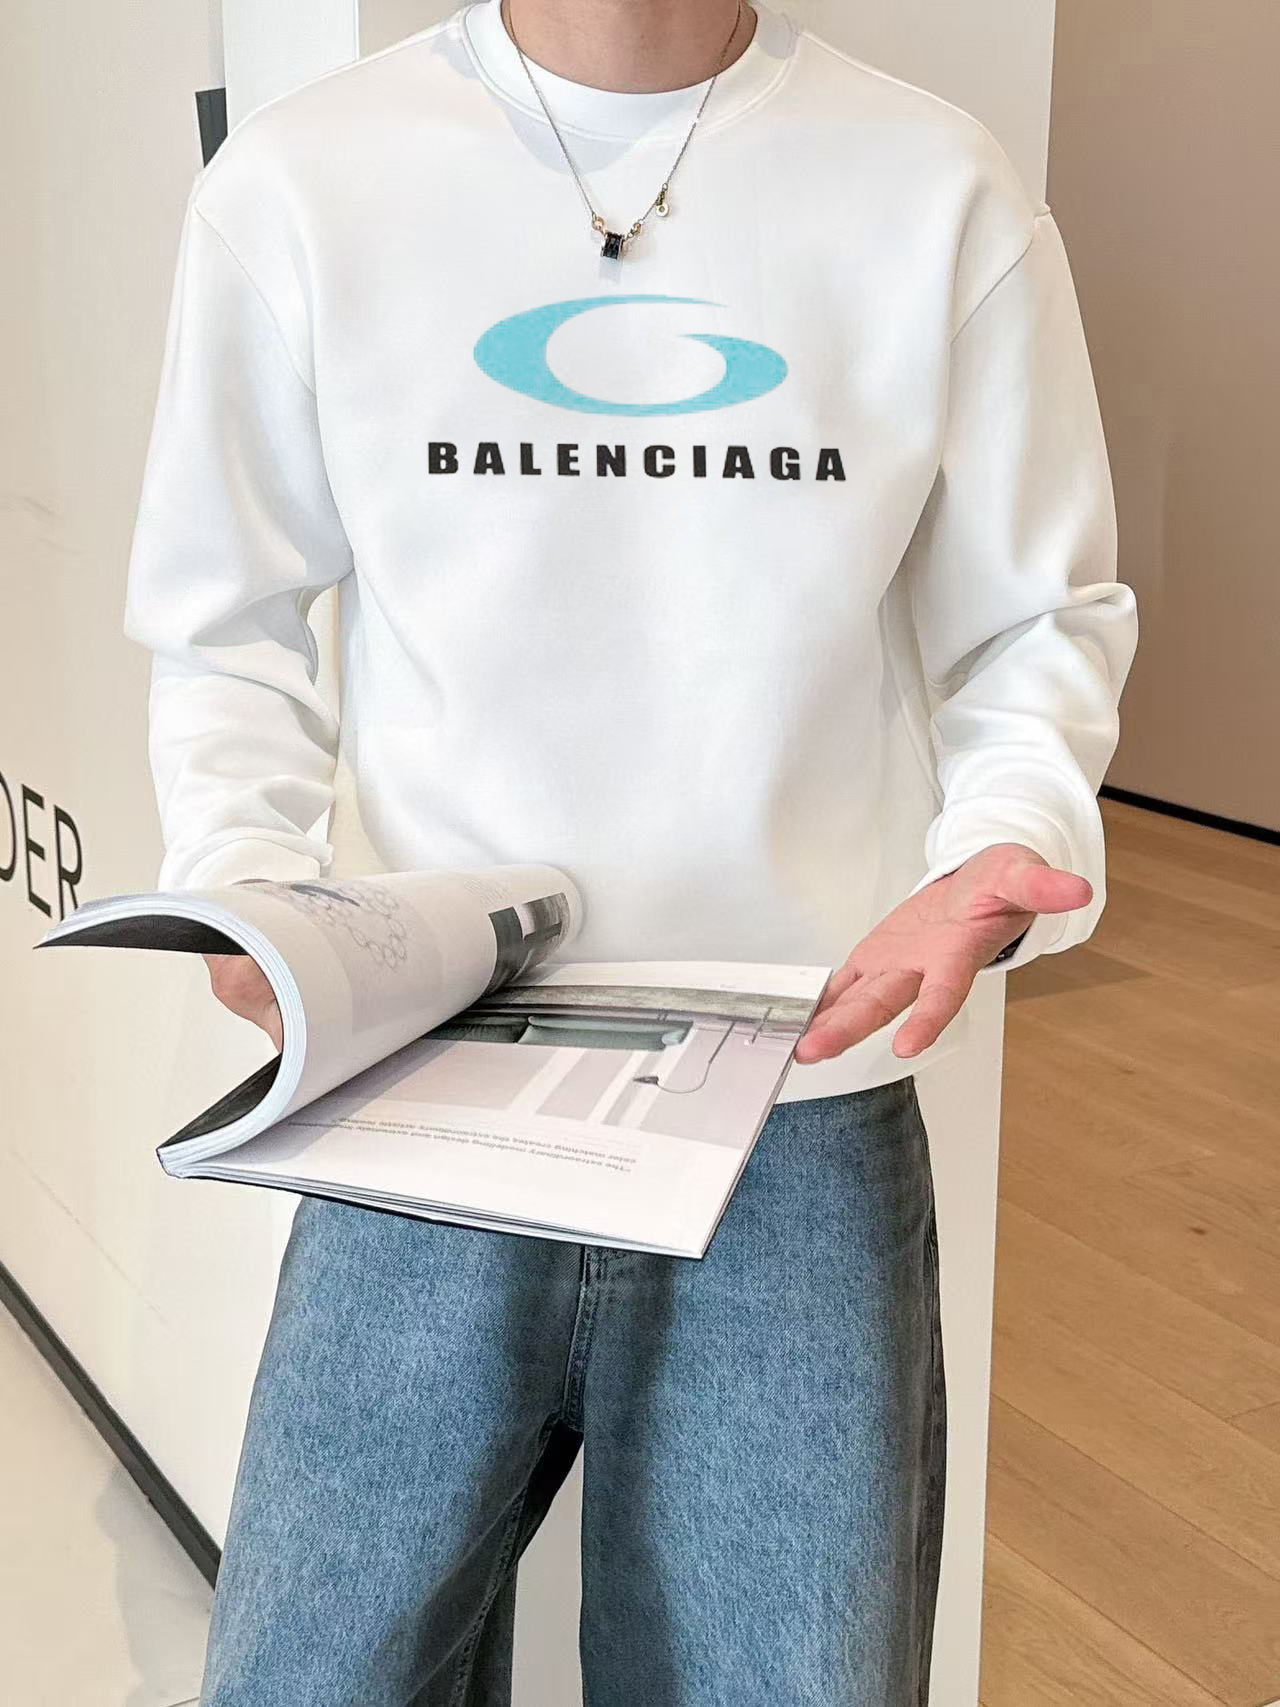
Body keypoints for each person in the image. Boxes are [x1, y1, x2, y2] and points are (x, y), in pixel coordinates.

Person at [122, 0, 1138, 1701]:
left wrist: (1005, 833)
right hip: (426, 1083)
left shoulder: (935, 186)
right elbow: (225, 621)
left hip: (795, 1090)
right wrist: (247, 872)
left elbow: (1040, 618)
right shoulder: (305, 182)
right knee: (316, 1674)